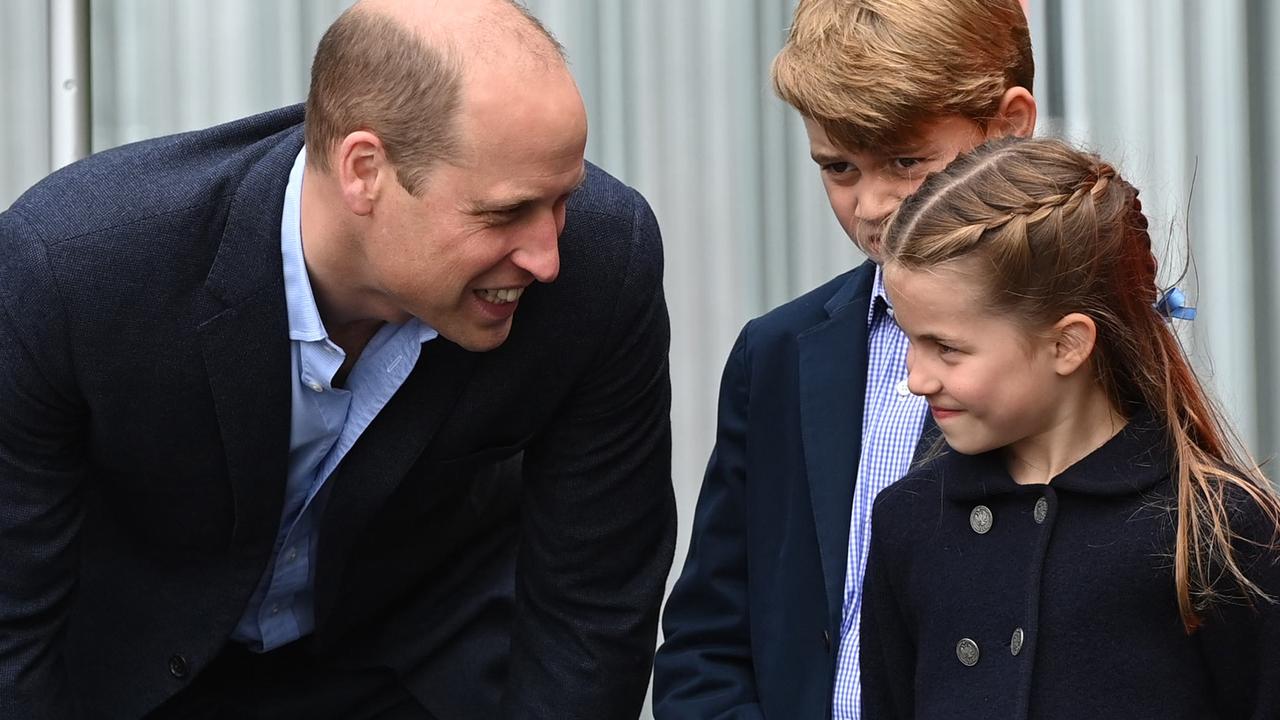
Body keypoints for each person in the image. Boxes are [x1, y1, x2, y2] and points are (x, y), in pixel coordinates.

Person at [0, 1, 676, 717]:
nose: (546, 257)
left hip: (420, 679)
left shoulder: (602, 261)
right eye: (504, 213)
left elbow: (592, 610)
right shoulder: (76, 270)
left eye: (562, 200)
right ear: (365, 170)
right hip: (130, 684)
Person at [653, 0, 1036, 717]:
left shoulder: (1074, 353)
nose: (870, 204)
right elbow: (707, 641)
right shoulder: (777, 355)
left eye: (905, 160)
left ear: (1010, 127)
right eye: (838, 167)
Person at [861, 136, 1280, 718]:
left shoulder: (1217, 525)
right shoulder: (907, 521)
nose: (916, 378)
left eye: (947, 348)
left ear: (1067, 343)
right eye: (910, 339)